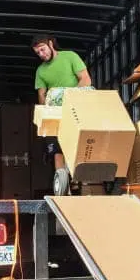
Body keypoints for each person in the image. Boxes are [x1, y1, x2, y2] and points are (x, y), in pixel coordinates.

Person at [31, 34, 92, 194]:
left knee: (79, 146)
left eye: (43, 50)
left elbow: (85, 80)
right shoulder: (40, 71)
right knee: (56, 150)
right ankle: (62, 188)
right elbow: (42, 95)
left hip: (76, 109)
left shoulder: (70, 57)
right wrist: (45, 113)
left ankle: (79, 182)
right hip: (55, 114)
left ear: (51, 44)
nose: (41, 54)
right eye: (38, 53)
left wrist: (68, 98)